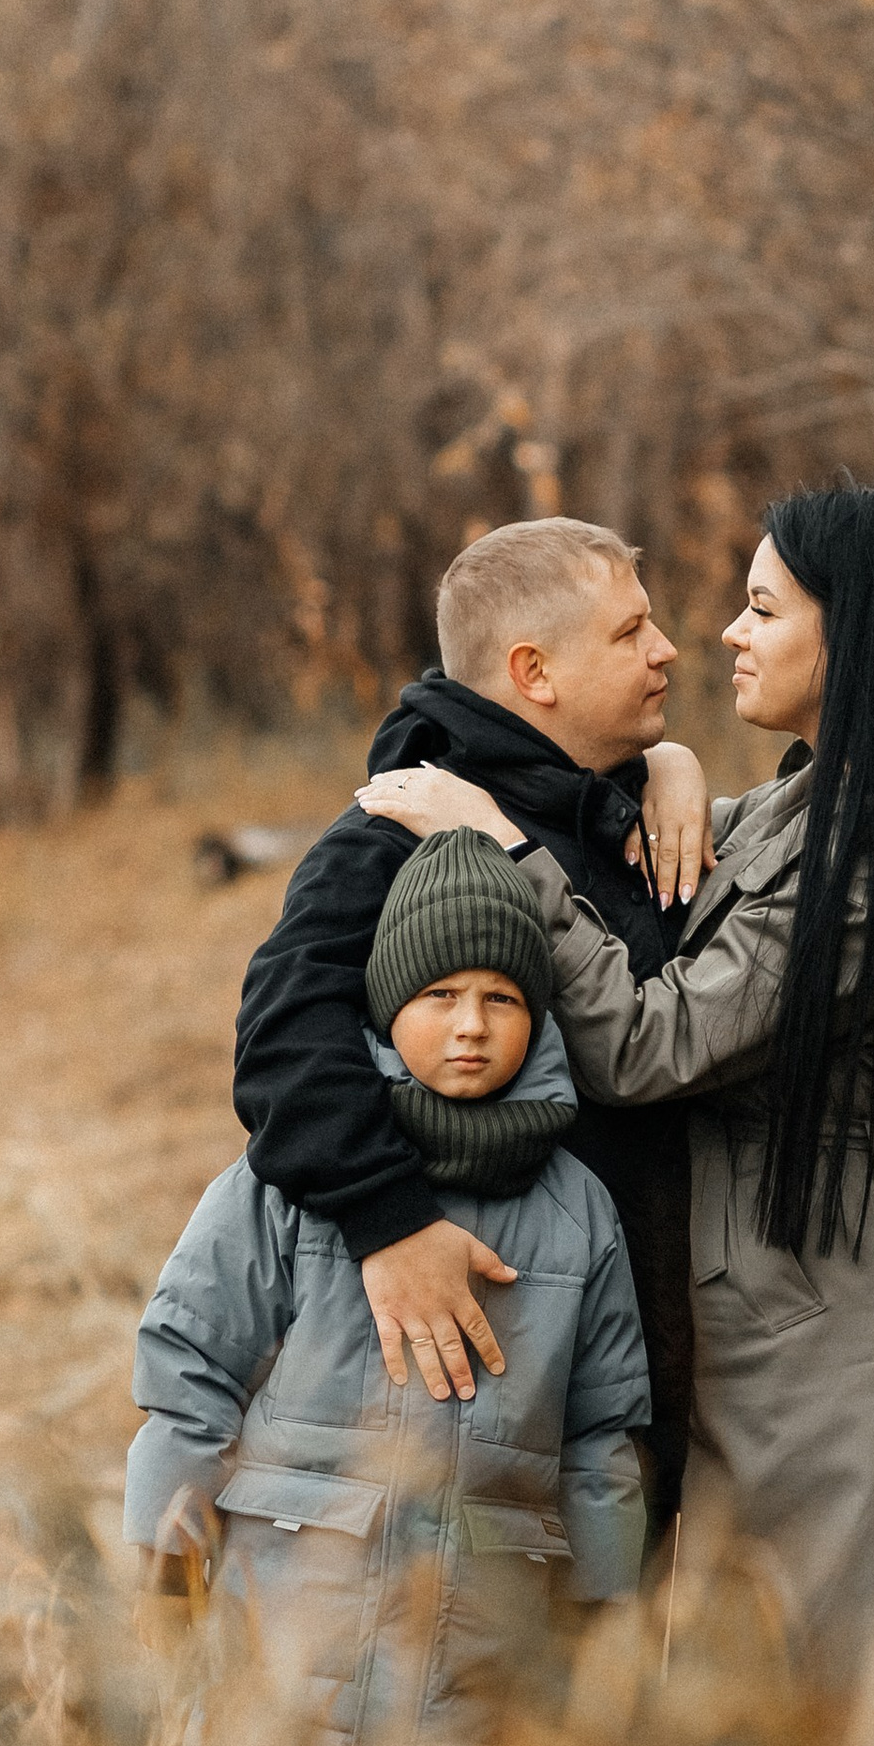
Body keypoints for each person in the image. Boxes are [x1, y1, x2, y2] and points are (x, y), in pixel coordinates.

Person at [358, 484, 874, 1746]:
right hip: (788, 1339)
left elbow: (652, 1038)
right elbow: (650, 865)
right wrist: (667, 767)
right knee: (778, 1733)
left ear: (849, 643)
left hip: (851, 1350)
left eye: (761, 608)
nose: (724, 638)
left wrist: (497, 846)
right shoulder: (812, 813)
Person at [126, 830, 649, 1746]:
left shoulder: (578, 1209)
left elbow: (599, 1442)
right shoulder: (295, 1179)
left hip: (480, 1665)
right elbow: (188, 1381)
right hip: (287, 1633)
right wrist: (165, 1571)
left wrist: (603, 1614)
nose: (471, 1026)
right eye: (439, 996)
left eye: (501, 999)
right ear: (385, 1003)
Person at [232, 517, 711, 1517]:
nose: (666, 650)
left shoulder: (605, 811)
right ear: (534, 673)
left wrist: (672, 765)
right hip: (481, 1368)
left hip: (624, 1383)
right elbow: (282, 1036)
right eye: (630, 634)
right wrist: (389, 1221)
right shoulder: (404, 833)